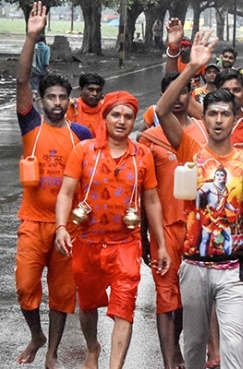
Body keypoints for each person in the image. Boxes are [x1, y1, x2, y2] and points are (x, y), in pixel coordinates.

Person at [155, 30, 243, 369]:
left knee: (233, 345)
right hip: (194, 265)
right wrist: (191, 67)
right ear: (203, 118)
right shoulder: (191, 151)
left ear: (235, 120)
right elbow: (163, 110)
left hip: (234, 269)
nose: (219, 120)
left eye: (225, 114)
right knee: (193, 347)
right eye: (212, 114)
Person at [54, 91, 170, 369]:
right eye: (115, 115)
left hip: (126, 245)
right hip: (87, 242)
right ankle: (92, 347)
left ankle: (114, 366)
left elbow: (152, 200)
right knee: (88, 305)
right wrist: (61, 227)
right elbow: (66, 192)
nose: (121, 121)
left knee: (124, 308)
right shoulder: (83, 151)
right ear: (104, 118)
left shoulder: (142, 155)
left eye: (128, 116)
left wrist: (161, 244)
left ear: (134, 121)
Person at [14, 4, 93, 368]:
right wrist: (32, 36)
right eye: (51, 98)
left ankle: (52, 352)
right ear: (42, 101)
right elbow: (21, 80)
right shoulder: (31, 124)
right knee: (25, 287)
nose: (57, 103)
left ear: (69, 101)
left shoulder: (82, 135)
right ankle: (36, 335)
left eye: (63, 97)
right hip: (32, 222)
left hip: (67, 228)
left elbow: (95, 179)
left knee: (63, 295)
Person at [138, 72, 209, 369]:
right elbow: (146, 194)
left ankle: (179, 347)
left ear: (190, 95)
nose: (179, 98)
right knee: (166, 296)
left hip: (200, 228)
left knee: (190, 299)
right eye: (172, 92)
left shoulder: (205, 132)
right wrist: (144, 236)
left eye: (184, 92)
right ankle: (169, 361)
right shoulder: (148, 138)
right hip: (164, 228)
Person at [30, 34, 50, 99]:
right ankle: (43, 95)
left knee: (34, 82)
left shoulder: (35, 48)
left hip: (35, 68)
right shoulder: (47, 48)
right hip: (43, 69)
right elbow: (46, 61)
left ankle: (34, 95)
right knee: (43, 82)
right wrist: (47, 68)